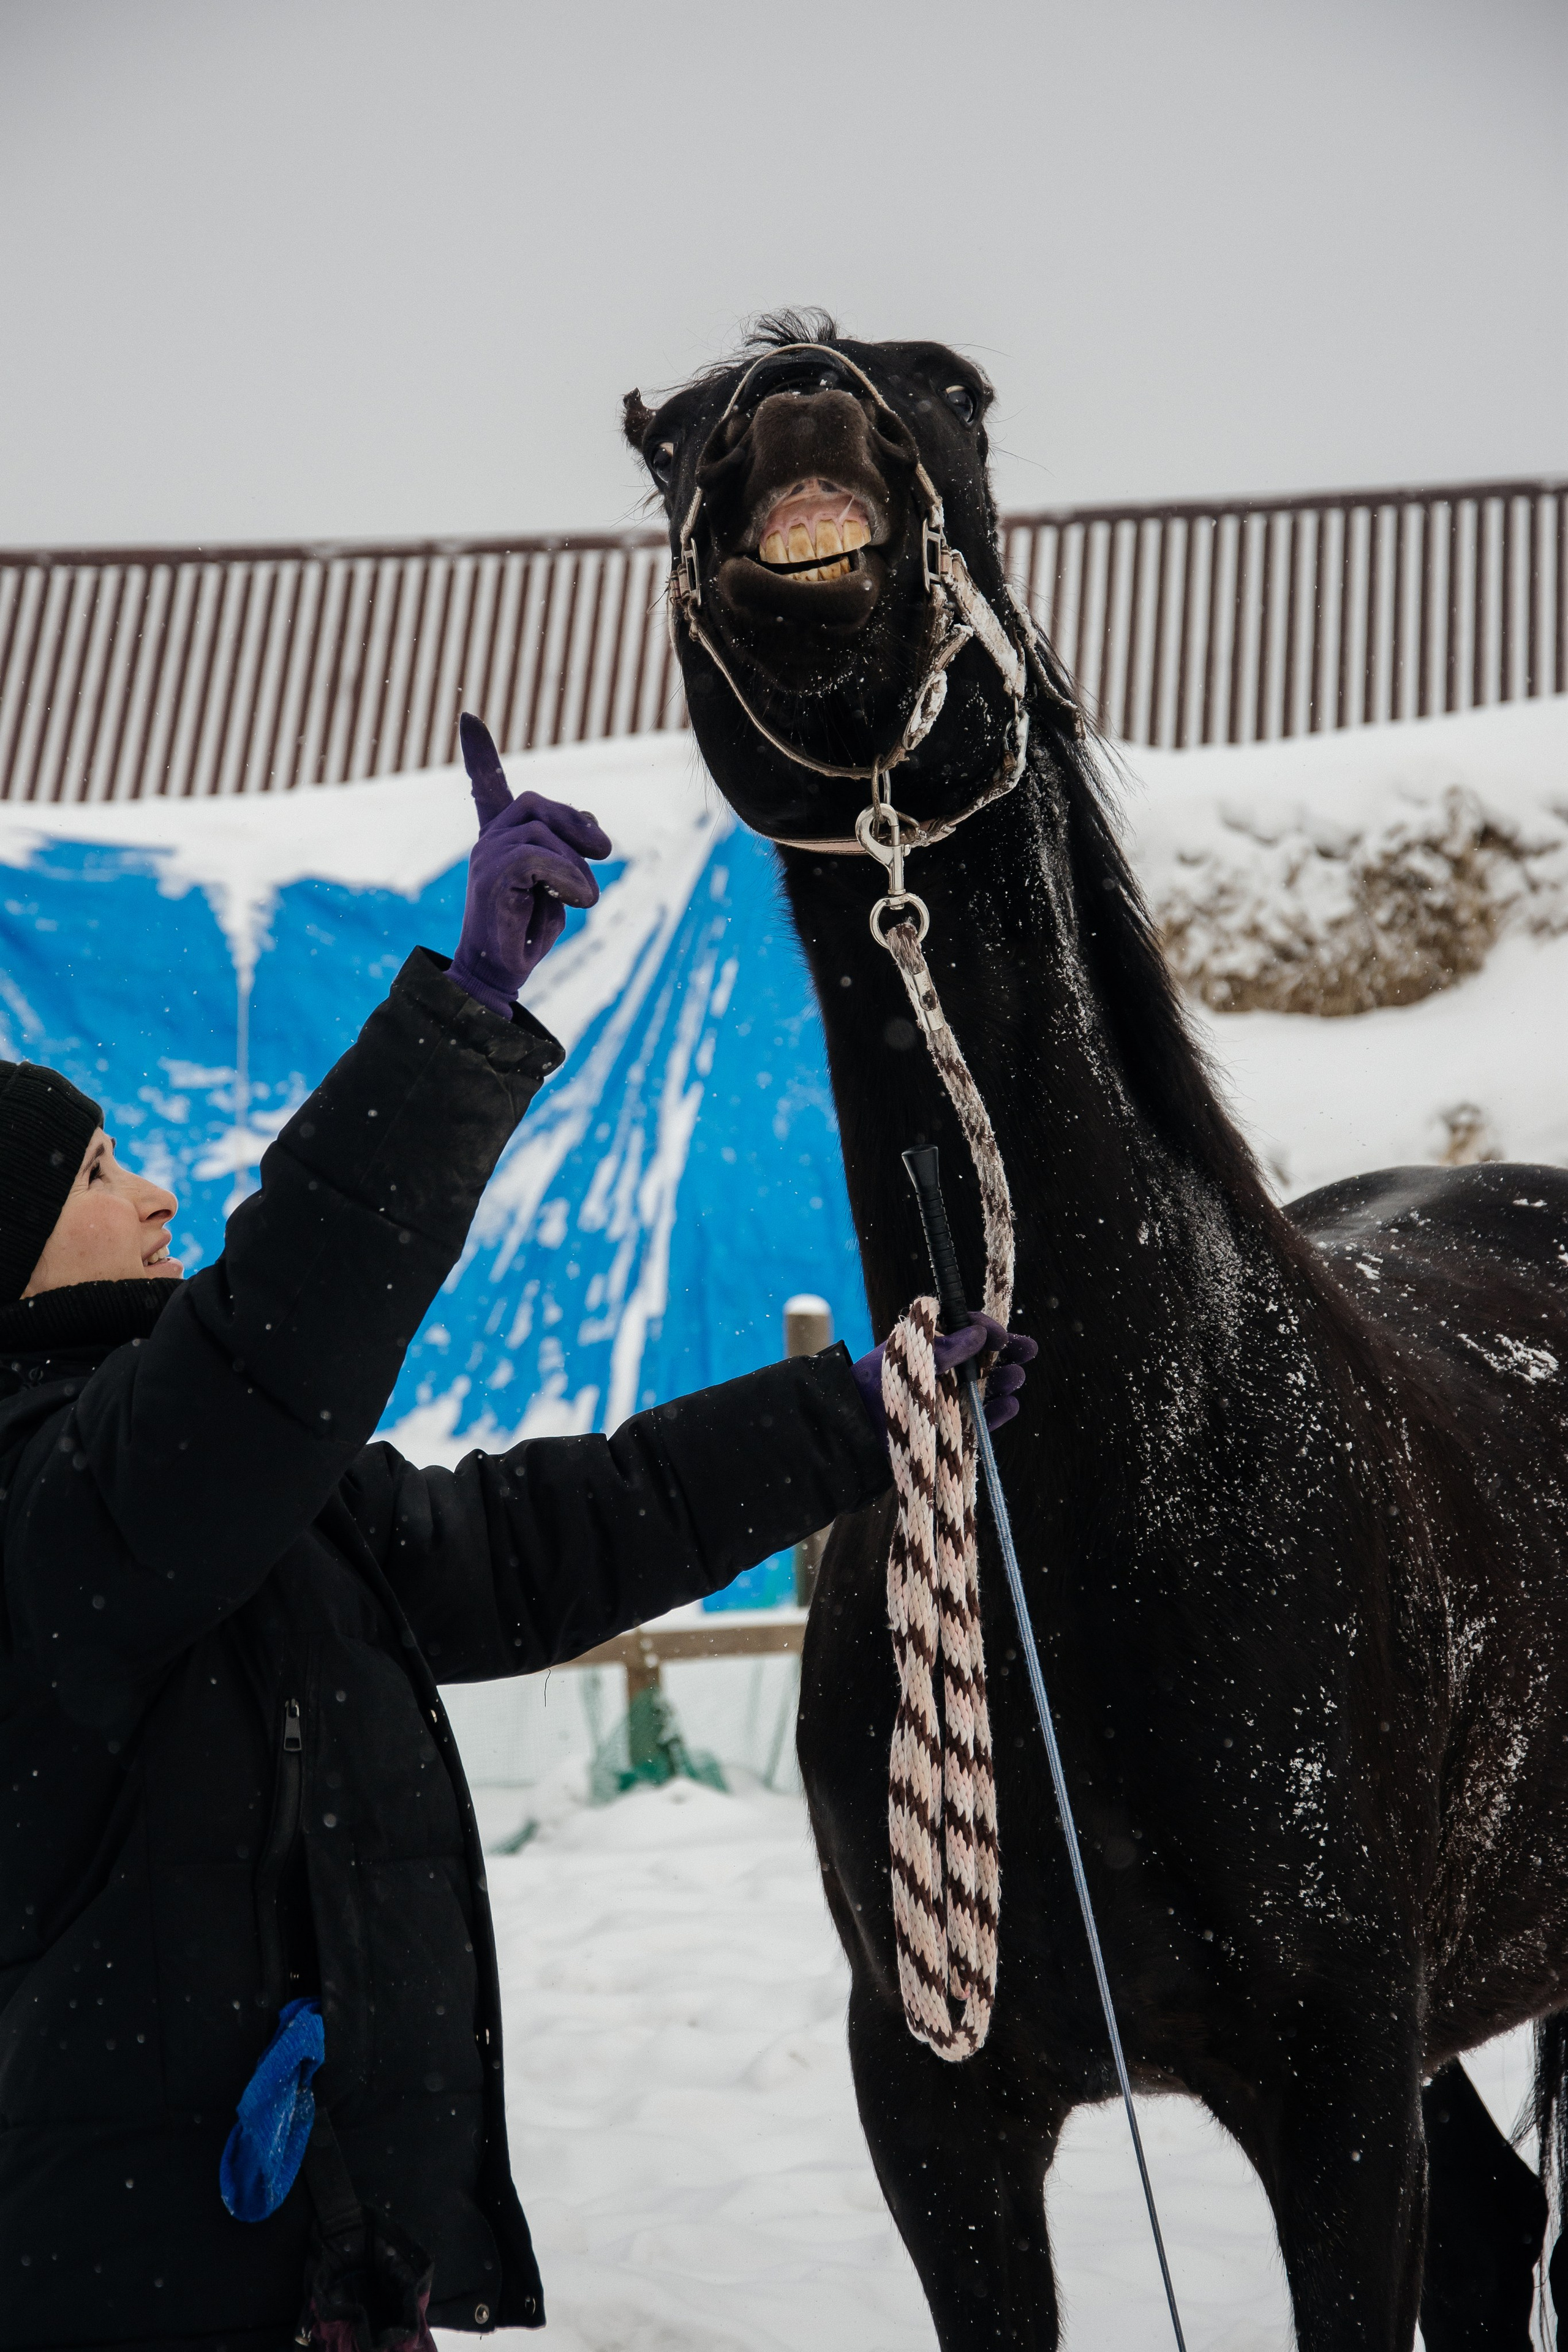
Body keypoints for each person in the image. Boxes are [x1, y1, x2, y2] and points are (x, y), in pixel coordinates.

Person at [0, 717, 1032, 2352]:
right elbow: (279, 1330)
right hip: (146, 2280)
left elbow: (534, 1543)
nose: (152, 1198)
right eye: (100, 1168)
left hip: (315, 2252)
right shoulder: (56, 1508)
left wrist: (852, 1418)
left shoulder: (216, 1481)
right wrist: (462, 1018)